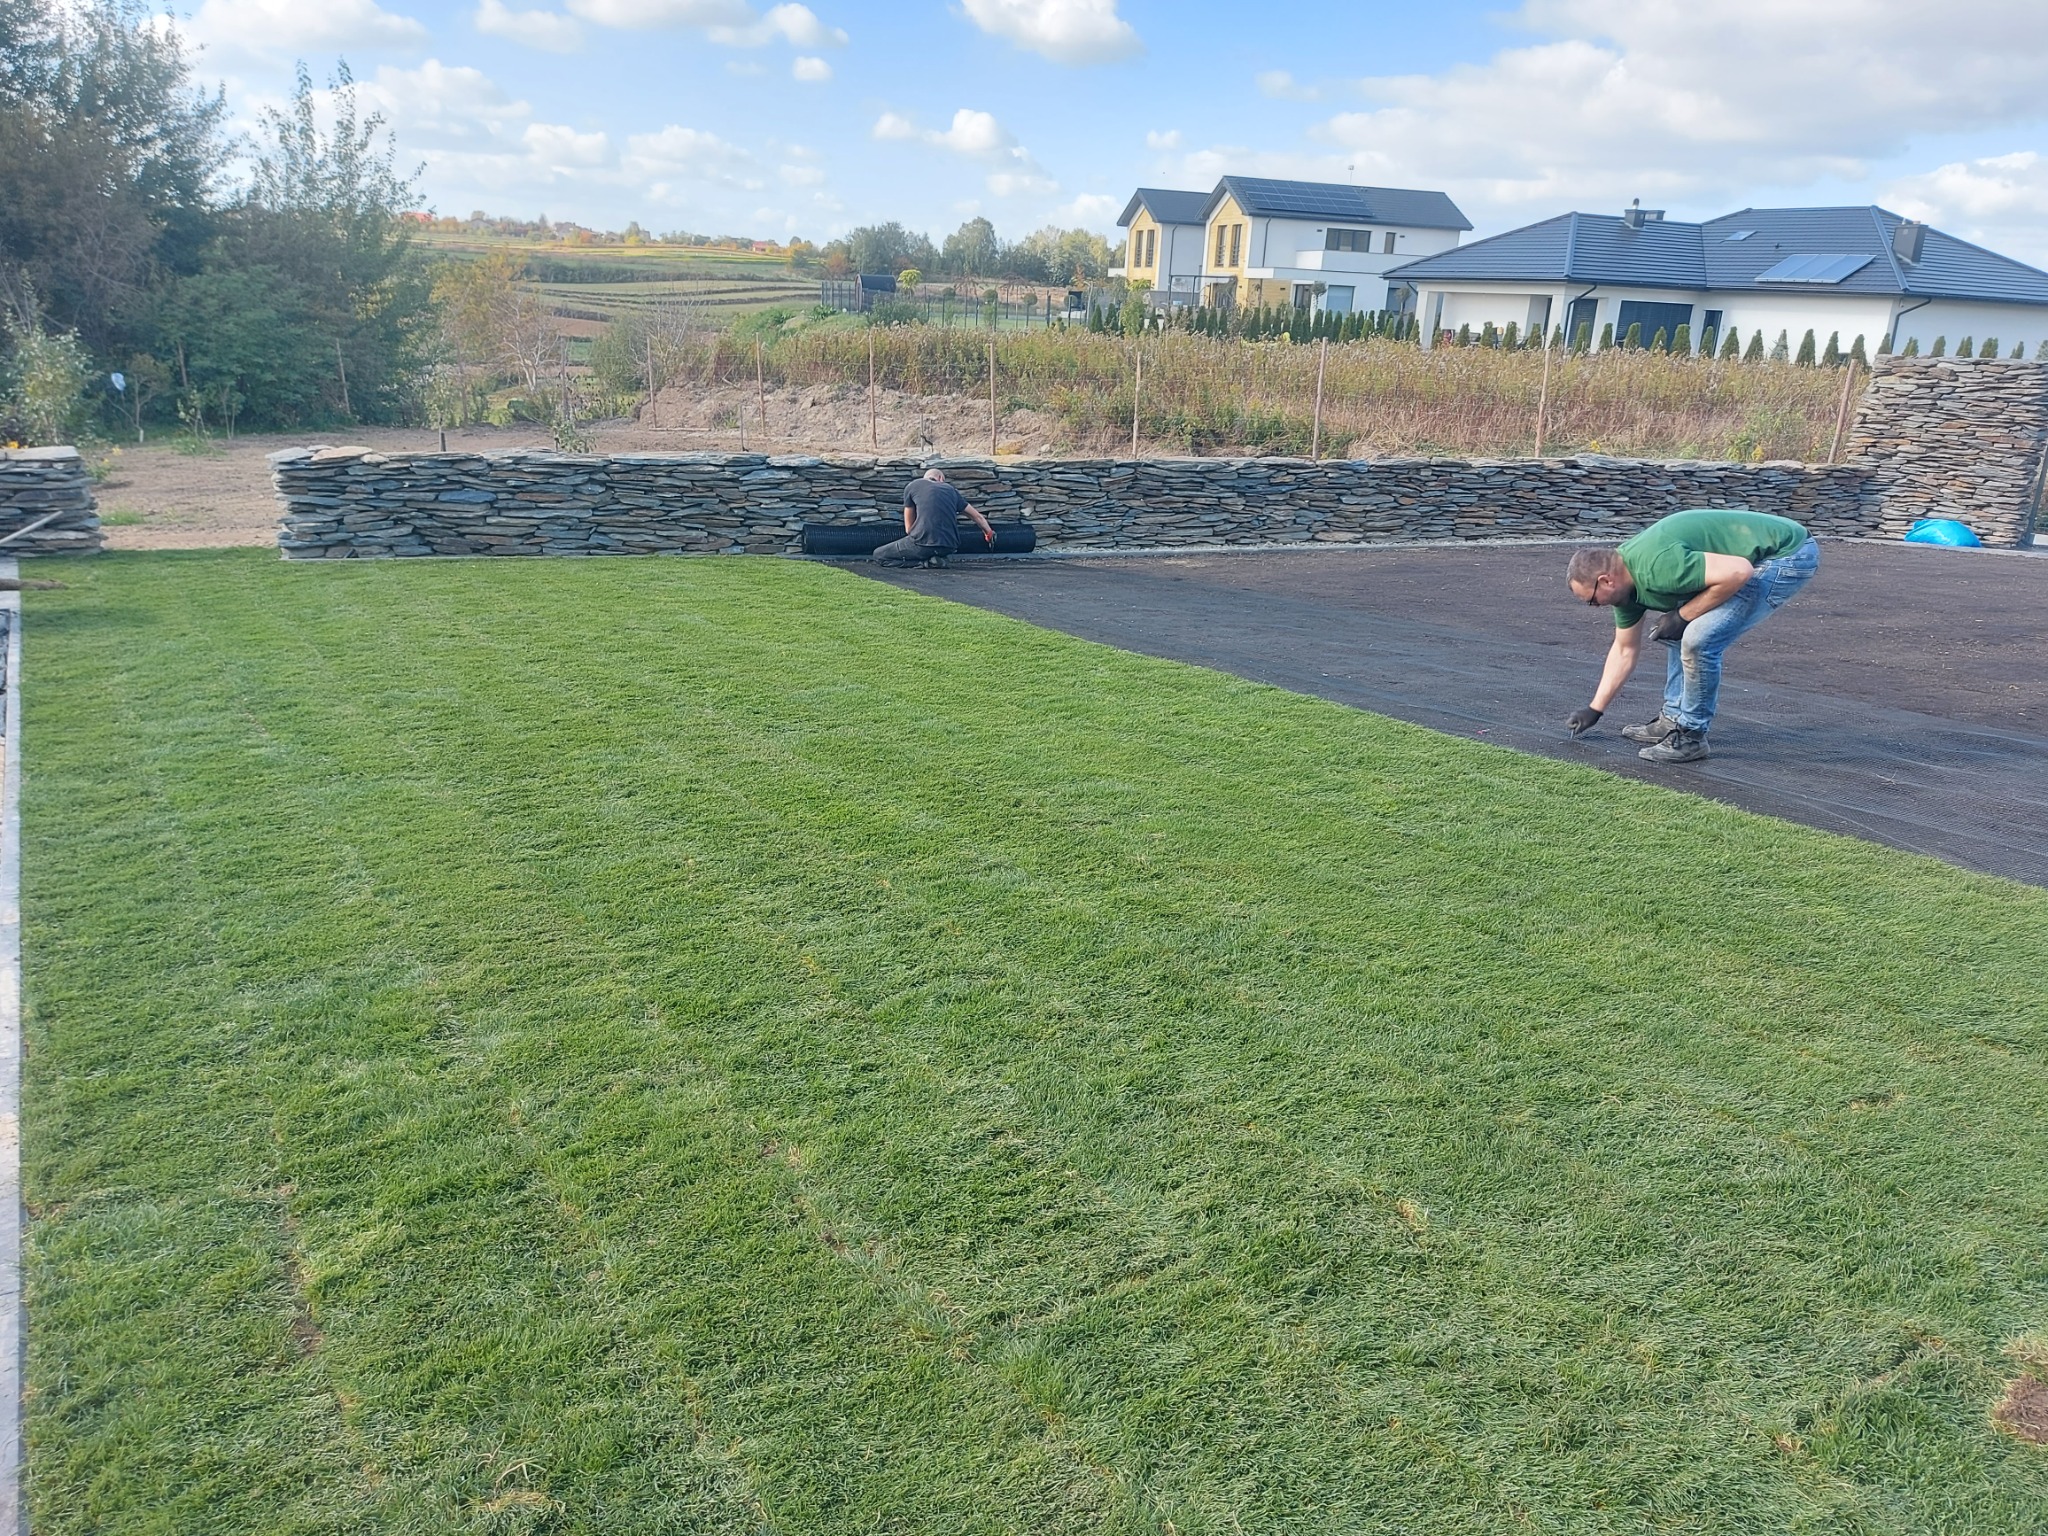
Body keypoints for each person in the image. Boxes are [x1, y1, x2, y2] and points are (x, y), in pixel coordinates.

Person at [1563, 508, 1820, 763]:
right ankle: (1673, 719)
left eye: (1592, 599)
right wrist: (1595, 708)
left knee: (1698, 639)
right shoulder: (1625, 586)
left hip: (1788, 554)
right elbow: (1624, 649)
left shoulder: (1657, 568)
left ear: (1607, 581)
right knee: (1673, 631)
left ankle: (1691, 736)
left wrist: (1683, 616)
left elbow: (1739, 571)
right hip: (1749, 560)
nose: (1594, 606)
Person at [872, 467, 994, 567]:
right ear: (940, 478)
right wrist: (988, 534)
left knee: (879, 555)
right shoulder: (951, 490)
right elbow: (978, 517)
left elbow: (908, 530)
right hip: (949, 546)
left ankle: (925, 563)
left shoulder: (913, 486)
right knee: (932, 549)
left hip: (922, 544)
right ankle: (936, 559)